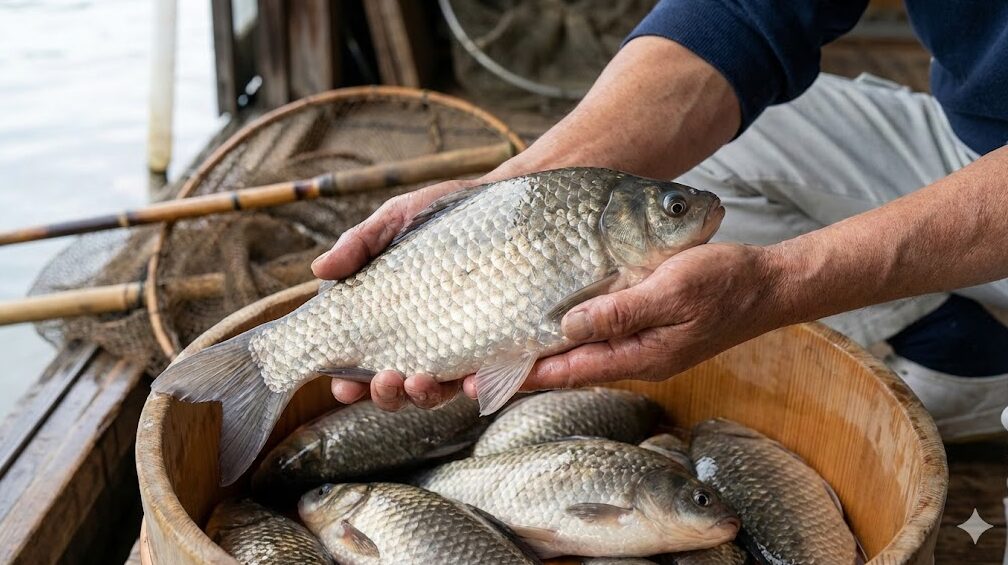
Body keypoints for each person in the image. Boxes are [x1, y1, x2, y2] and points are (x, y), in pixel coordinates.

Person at [312, 1, 1008, 441]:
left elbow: (771, 278)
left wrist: (777, 284)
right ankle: (972, 354)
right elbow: (746, 13)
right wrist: (505, 194)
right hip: (976, 140)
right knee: (728, 151)